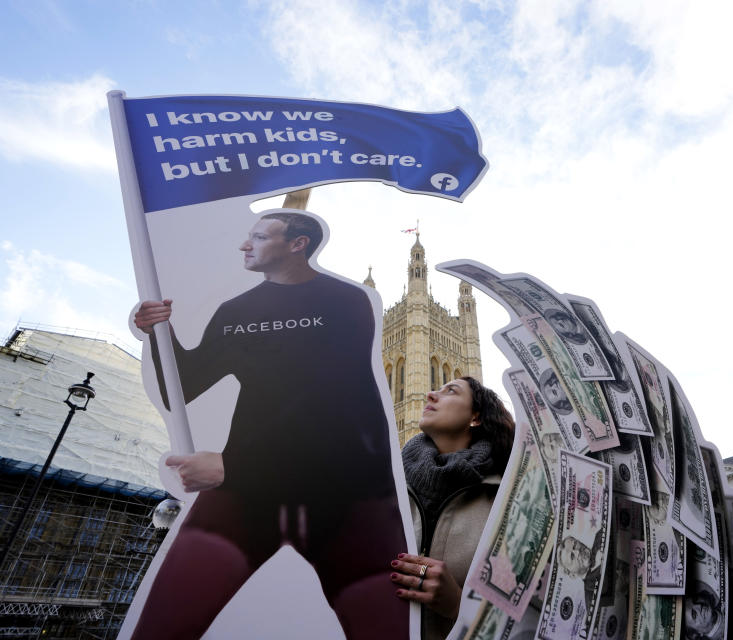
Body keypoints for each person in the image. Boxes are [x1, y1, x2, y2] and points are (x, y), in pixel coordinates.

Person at [130, 211, 408, 640]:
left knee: (385, 628)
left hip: (347, 500)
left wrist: (235, 467)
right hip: (246, 496)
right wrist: (157, 335)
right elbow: (180, 392)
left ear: (297, 244)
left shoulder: (346, 301)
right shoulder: (237, 310)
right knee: (159, 628)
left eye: (258, 236)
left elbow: (332, 402)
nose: (245, 245)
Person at [389, 377, 515, 640]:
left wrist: (460, 606)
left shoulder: (506, 497)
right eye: (436, 389)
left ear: (475, 417)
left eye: (451, 391)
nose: (431, 395)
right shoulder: (387, 484)